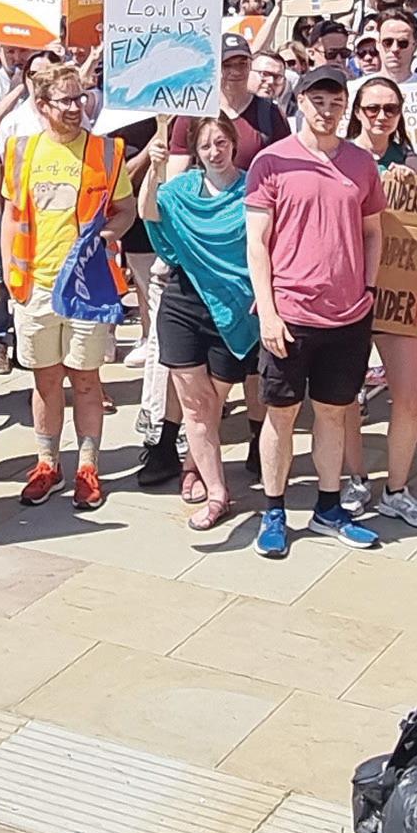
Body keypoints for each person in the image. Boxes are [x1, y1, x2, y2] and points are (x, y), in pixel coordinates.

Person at [244, 64, 387, 561]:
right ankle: (274, 509)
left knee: (333, 412)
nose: (327, 111)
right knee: (281, 414)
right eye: (318, 101)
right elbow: (256, 243)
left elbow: (373, 231)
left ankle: (329, 507)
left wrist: (368, 287)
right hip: (290, 311)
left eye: (336, 102)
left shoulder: (361, 163)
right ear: (300, 101)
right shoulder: (271, 161)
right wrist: (268, 312)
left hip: (348, 313)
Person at [0, 67, 134, 513]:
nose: (76, 108)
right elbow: (11, 215)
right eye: (66, 101)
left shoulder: (106, 151)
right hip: (35, 285)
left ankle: (87, 467)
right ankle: (47, 464)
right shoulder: (22, 150)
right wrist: (11, 277)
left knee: (86, 379)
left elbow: (126, 209)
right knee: (45, 380)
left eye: (80, 98)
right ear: (42, 106)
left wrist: (105, 237)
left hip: (87, 289)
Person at [137, 113, 258, 532]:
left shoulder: (253, 187)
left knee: (212, 403)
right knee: (195, 406)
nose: (214, 152)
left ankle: (193, 465)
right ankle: (218, 492)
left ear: (234, 143)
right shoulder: (182, 188)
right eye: (205, 145)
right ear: (195, 151)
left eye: (220, 142)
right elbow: (149, 212)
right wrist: (154, 168)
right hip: (184, 304)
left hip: (235, 308)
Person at [342, 76, 417, 531]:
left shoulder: (411, 160)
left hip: (398, 289)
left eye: (390, 109)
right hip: (350, 288)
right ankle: (354, 477)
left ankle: (397, 489)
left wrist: (411, 185)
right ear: (357, 112)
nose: (381, 117)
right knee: (345, 395)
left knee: (409, 396)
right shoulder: (343, 158)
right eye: (372, 108)